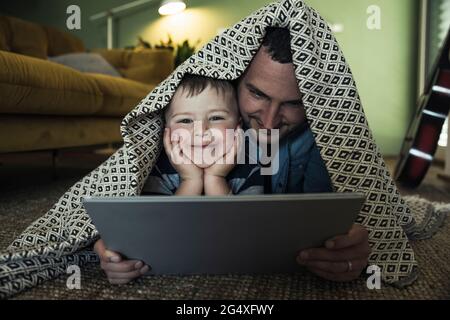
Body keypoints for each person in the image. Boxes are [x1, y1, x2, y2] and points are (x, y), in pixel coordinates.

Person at [94, 74, 264, 284]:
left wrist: (215, 178)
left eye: (216, 118)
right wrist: (190, 181)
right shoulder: (157, 171)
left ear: (238, 127)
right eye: (185, 121)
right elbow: (157, 236)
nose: (201, 132)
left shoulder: (250, 168)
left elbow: (244, 237)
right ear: (167, 133)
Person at [236, 27, 371, 282]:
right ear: (235, 78)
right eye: (257, 94)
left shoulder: (326, 134)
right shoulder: (204, 120)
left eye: (294, 103)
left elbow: (334, 219)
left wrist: (349, 243)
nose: (269, 121)